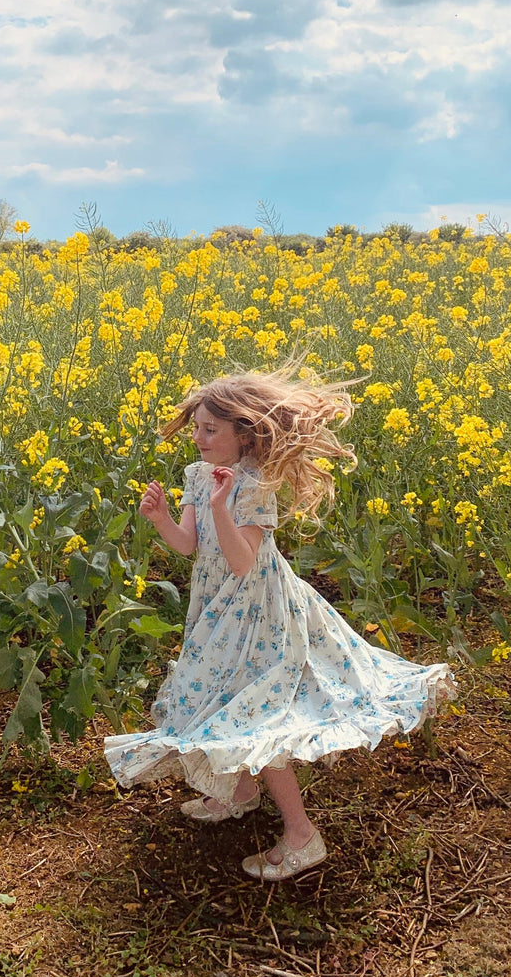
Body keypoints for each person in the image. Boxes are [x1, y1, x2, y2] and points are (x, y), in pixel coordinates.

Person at [104, 364, 455, 881]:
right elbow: (190, 546)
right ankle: (241, 793)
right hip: (218, 607)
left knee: (259, 712)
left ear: (243, 435)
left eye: (209, 429)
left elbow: (244, 561)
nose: (198, 438)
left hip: (260, 612)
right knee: (227, 697)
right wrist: (159, 518)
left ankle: (301, 836)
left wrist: (222, 506)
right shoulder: (198, 476)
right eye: (196, 426)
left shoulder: (253, 485)